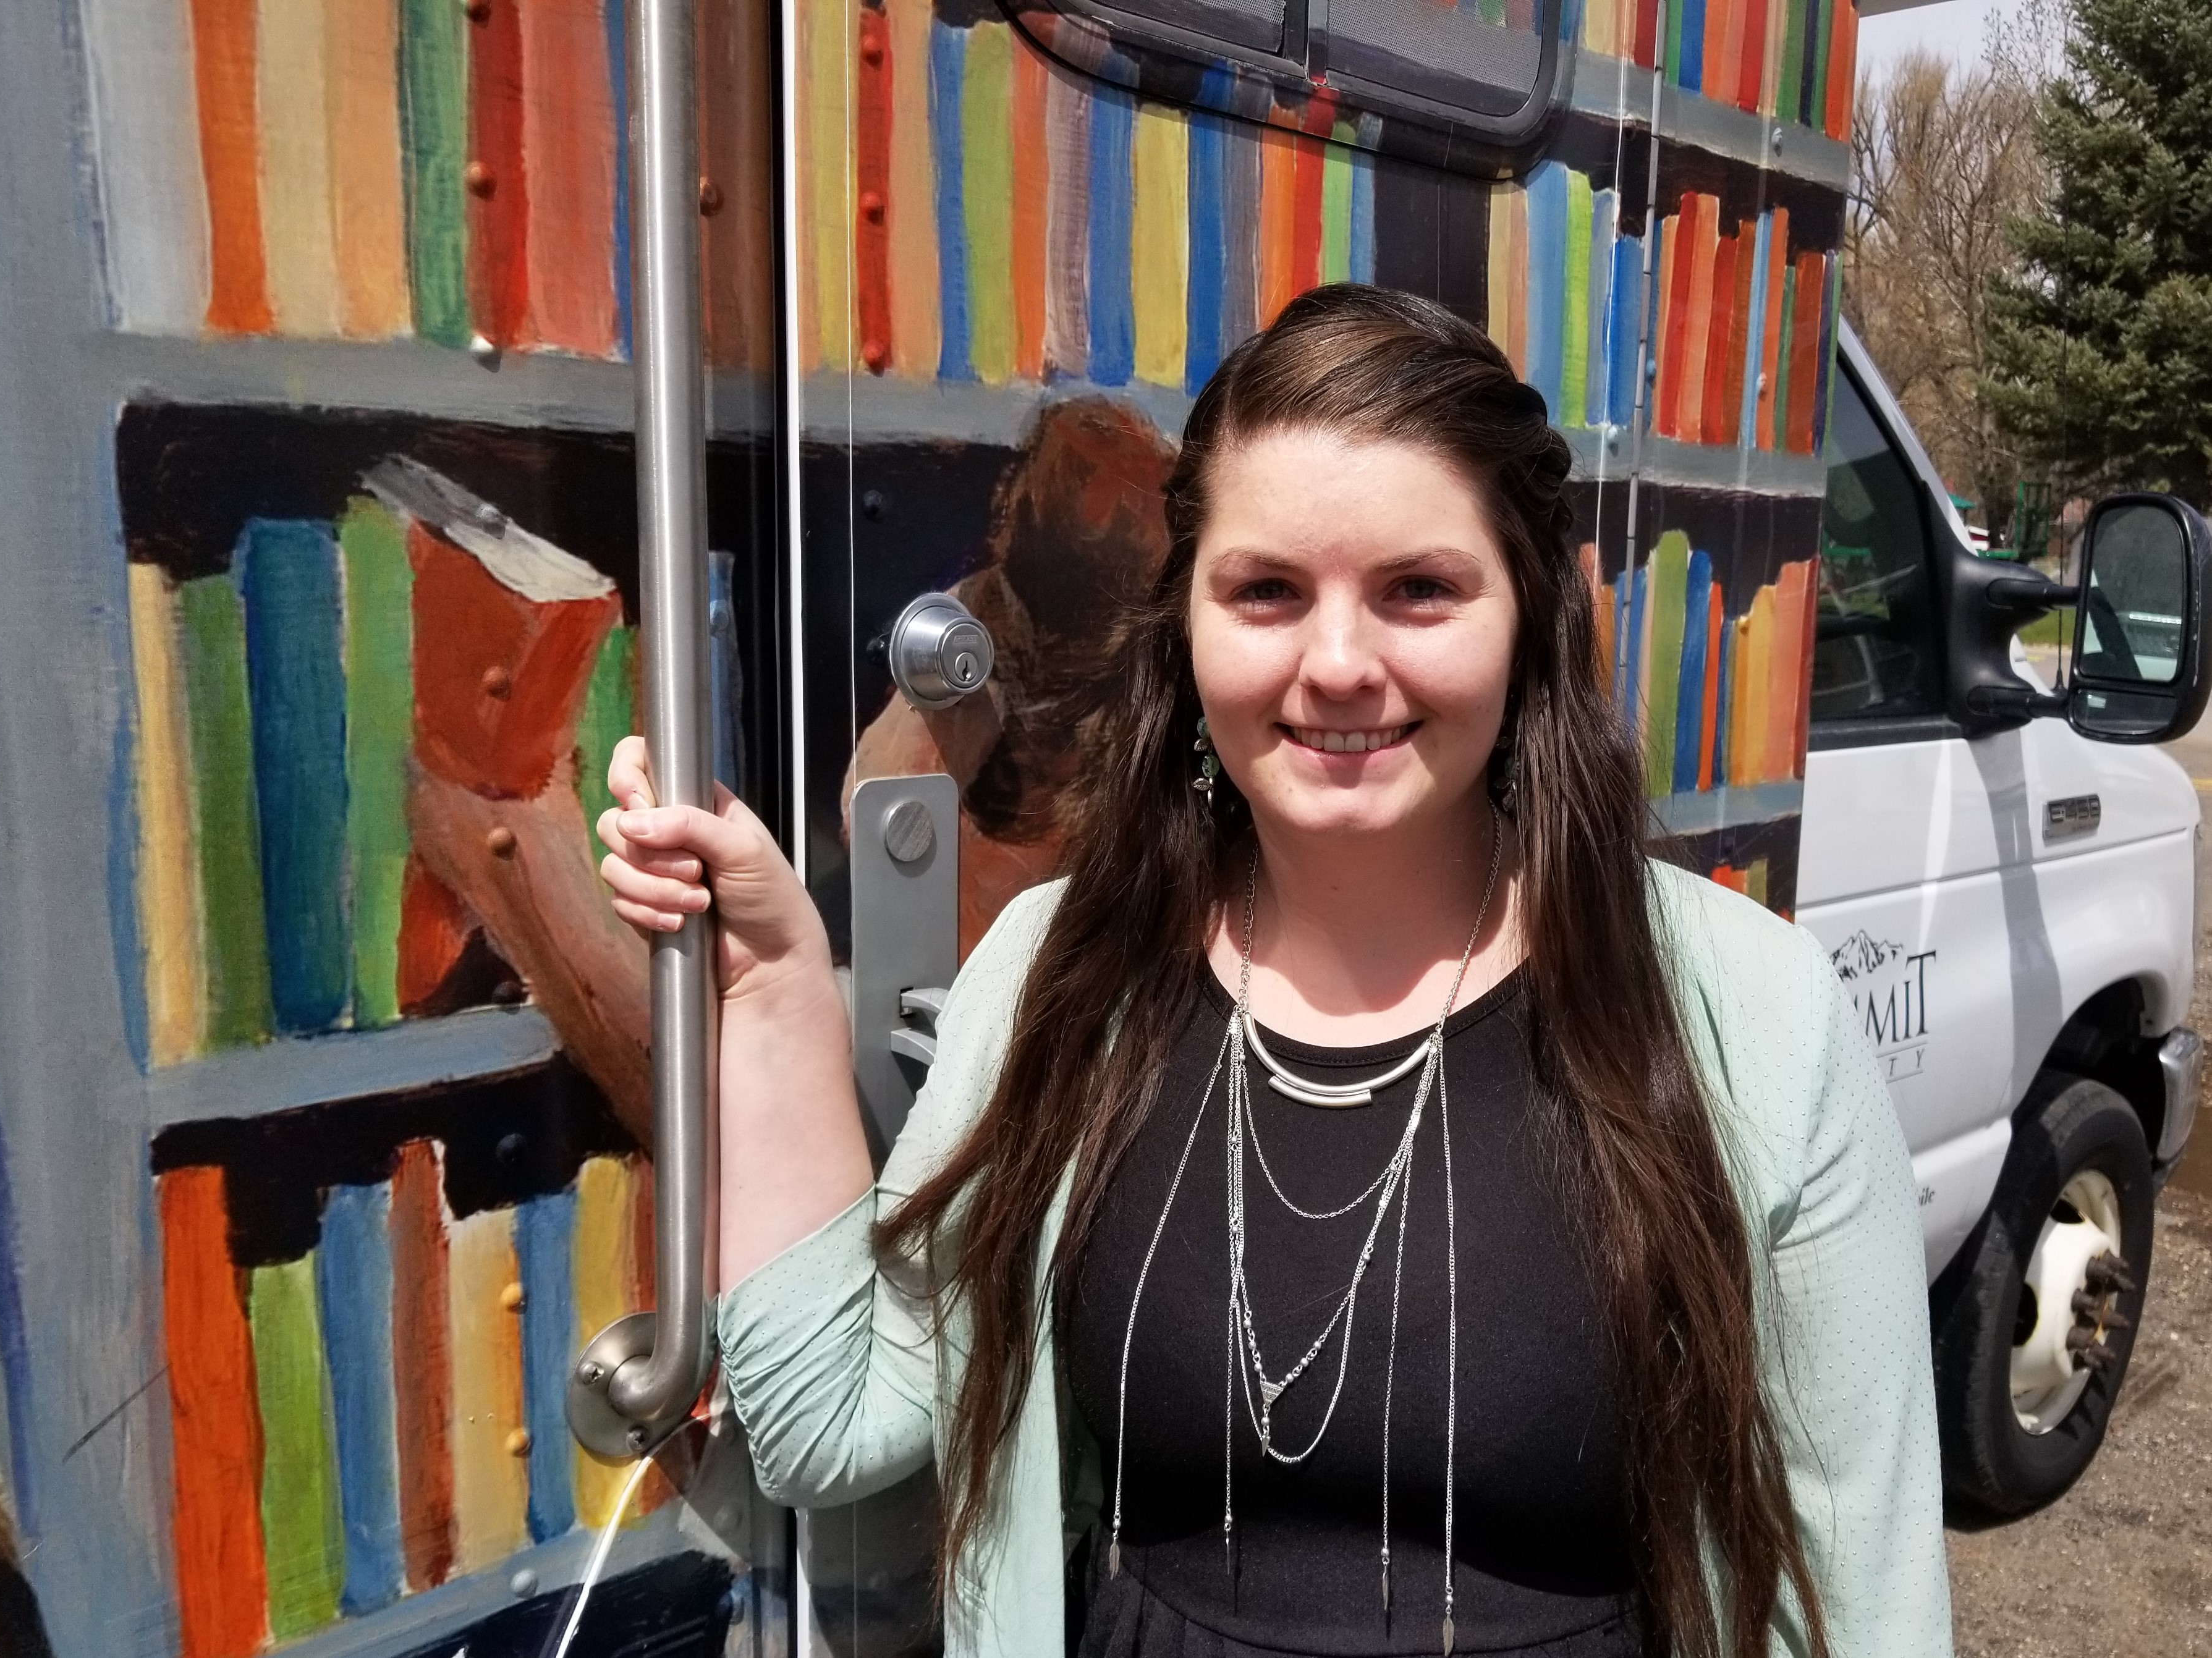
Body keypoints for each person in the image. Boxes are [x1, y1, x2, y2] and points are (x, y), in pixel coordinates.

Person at [594, 285, 1951, 1658]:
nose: (1339, 663)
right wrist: (771, 985)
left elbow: (1863, 1598)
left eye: (1419, 589)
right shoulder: (1060, 980)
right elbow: (829, 1414)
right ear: (1187, 629)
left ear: (1531, 614)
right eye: (1267, 592)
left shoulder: (1753, 1021)